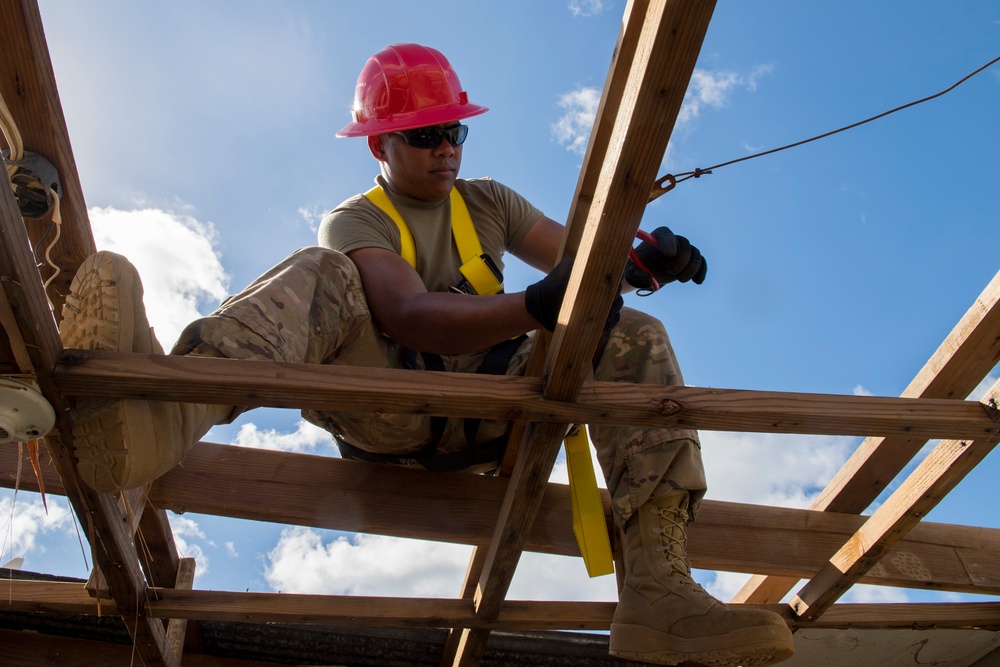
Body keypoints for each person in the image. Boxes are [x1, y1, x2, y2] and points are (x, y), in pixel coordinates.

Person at [59, 43, 794, 666]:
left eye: (455, 132)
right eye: (427, 135)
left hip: (496, 419)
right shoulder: (356, 220)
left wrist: (638, 260)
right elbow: (409, 317)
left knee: (633, 333)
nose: (447, 148)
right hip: (392, 416)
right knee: (324, 273)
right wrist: (538, 304)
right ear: (380, 144)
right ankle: (164, 413)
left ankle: (659, 591)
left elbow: (580, 261)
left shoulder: (487, 203)